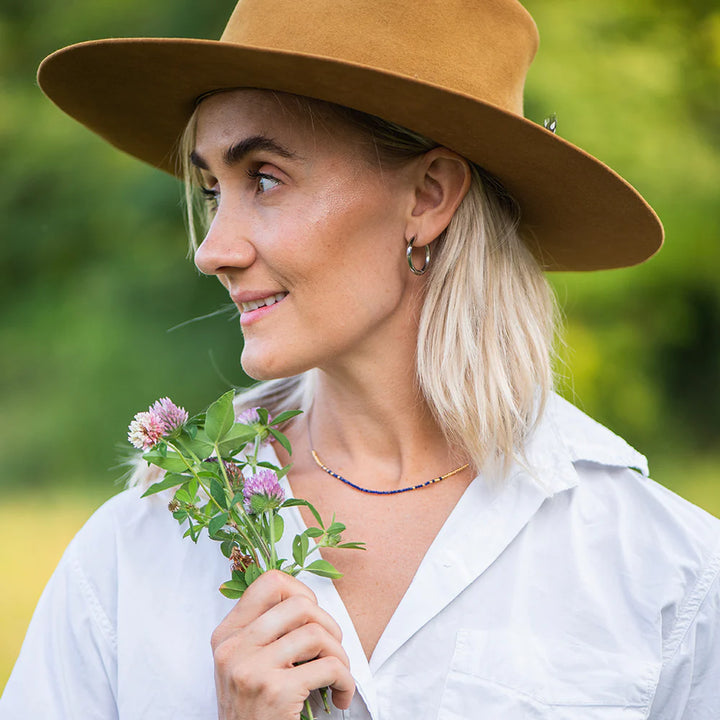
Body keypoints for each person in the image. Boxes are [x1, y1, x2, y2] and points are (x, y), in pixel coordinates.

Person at [2, 1, 719, 718]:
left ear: (428, 196)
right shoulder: (138, 552)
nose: (212, 249)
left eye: (265, 178)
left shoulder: (664, 572)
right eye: (214, 189)